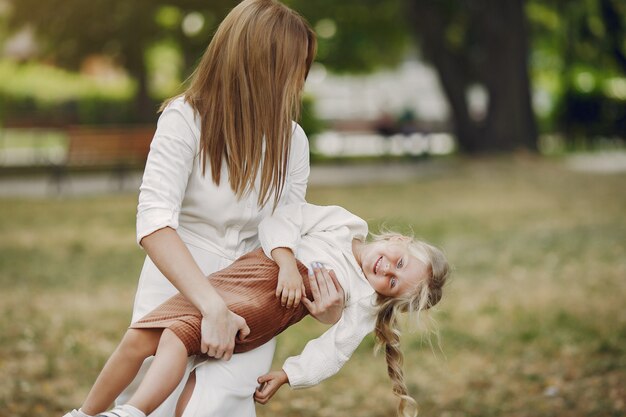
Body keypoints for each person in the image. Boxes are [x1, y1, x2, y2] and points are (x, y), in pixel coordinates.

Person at [110, 1, 332, 417]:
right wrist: (212, 307)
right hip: (178, 282)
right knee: (158, 403)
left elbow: (287, 225)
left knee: (216, 407)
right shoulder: (185, 119)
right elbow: (155, 222)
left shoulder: (293, 140)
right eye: (291, 68)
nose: (298, 82)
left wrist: (329, 309)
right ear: (255, 64)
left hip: (252, 289)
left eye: (302, 68)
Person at [62, 203, 449, 417]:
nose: (386, 270)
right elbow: (285, 217)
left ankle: (133, 413)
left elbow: (335, 350)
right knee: (140, 336)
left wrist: (288, 374)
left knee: (175, 336)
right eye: (398, 262)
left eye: (394, 284)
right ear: (398, 239)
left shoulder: (362, 300)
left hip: (265, 304)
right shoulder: (345, 225)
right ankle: (86, 415)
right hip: (247, 271)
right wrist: (285, 264)